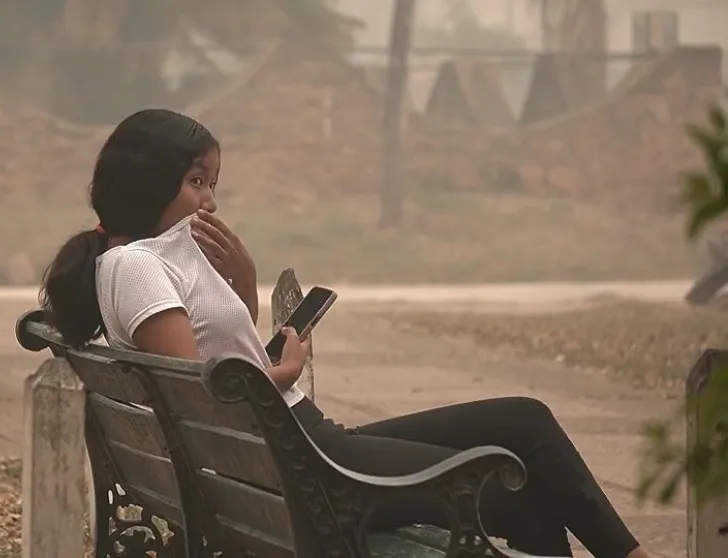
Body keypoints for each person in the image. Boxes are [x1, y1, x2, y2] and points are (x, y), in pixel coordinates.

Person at [39, 108, 649, 558]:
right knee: (522, 483)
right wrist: (285, 371)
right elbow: (213, 397)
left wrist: (244, 284)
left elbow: (212, 366)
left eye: (213, 185)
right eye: (197, 181)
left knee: (523, 419)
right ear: (147, 179)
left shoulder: (137, 261)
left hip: (289, 456)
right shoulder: (137, 265)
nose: (210, 202)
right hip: (302, 470)